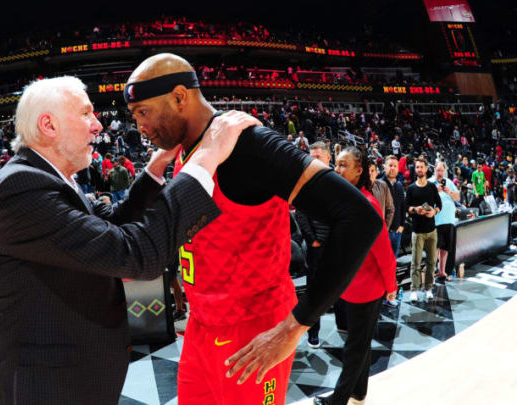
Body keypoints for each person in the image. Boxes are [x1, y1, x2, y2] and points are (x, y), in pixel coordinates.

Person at [125, 54, 382, 405]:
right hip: (203, 325)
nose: (139, 125)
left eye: (143, 112)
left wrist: (296, 325)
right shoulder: (189, 152)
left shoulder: (249, 144)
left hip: (252, 328)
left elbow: (359, 216)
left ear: (179, 97)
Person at [0, 76, 249, 405]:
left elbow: (111, 223)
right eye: (86, 114)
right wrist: (206, 158)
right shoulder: (19, 189)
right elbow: (136, 254)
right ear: (48, 125)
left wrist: (154, 169)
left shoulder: (48, 179)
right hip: (47, 388)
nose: (97, 126)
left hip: (68, 379)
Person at [313, 147, 396, 405]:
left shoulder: (367, 204)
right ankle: (359, 392)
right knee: (361, 341)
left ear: (359, 171)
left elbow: (383, 252)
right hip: (352, 285)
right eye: (336, 165)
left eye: (343, 165)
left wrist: (391, 285)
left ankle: (338, 400)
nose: (337, 170)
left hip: (367, 288)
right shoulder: (347, 200)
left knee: (355, 346)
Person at [294, 141, 332, 348]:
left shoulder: (338, 181)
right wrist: (313, 240)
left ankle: (344, 324)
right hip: (317, 247)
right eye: (311, 156)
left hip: (336, 246)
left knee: (343, 285)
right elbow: (300, 214)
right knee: (314, 292)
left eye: (317, 157)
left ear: (328, 158)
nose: (313, 160)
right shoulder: (305, 183)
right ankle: (313, 333)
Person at [405, 158, 442, 302]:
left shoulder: (432, 187)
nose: (419, 169)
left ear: (426, 169)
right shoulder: (411, 188)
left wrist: (435, 212)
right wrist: (415, 209)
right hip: (417, 231)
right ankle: (414, 289)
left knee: (432, 262)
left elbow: (439, 204)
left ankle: (428, 288)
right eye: (417, 167)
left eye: (422, 167)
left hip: (432, 231)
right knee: (415, 262)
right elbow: (407, 207)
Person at [429, 161, 460, 281]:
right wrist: (435, 191)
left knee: (445, 248)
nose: (440, 173)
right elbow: (425, 199)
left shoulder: (449, 182)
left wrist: (450, 192)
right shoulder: (430, 183)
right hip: (436, 221)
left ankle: (442, 272)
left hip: (449, 220)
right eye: (438, 170)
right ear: (434, 170)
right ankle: (431, 274)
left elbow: (458, 197)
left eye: (442, 170)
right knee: (434, 249)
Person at [381, 156, 406, 255]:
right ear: (385, 167)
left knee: (393, 264)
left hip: (397, 232)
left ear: (398, 169)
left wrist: (402, 226)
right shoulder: (379, 184)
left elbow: (402, 207)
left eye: (395, 166)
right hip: (383, 233)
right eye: (390, 165)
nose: (392, 168)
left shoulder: (399, 185)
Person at [369, 160, 395, 229]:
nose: (369, 173)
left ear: (376, 173)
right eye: (367, 171)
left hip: (380, 231)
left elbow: (390, 208)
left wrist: (385, 228)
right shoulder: (359, 188)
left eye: (372, 171)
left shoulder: (383, 185)